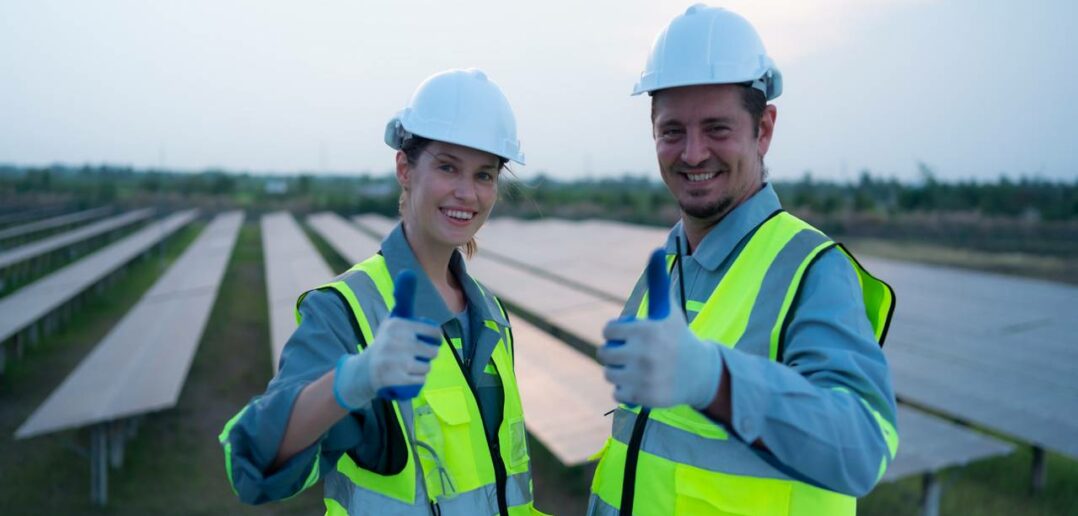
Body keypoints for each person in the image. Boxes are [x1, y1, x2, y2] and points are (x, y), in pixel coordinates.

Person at [589, 5, 899, 515]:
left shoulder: (810, 269)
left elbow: (864, 447)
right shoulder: (668, 264)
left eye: (716, 128)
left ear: (764, 128)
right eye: (672, 131)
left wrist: (718, 381)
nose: (691, 154)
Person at [219, 68, 541, 515]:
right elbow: (252, 462)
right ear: (405, 168)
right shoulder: (345, 311)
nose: (467, 193)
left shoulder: (490, 314)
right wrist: (355, 379)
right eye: (448, 167)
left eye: (484, 175)